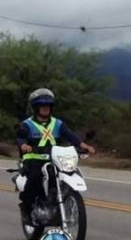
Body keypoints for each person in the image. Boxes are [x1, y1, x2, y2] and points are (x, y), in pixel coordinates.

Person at [15, 88, 95, 224]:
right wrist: (24, 146)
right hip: (34, 159)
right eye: (42, 106)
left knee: (69, 171)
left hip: (54, 158)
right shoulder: (27, 124)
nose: (45, 109)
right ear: (36, 108)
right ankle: (26, 209)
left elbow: (71, 136)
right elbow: (20, 138)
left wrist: (84, 146)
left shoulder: (58, 124)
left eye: (48, 106)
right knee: (35, 177)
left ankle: (59, 201)